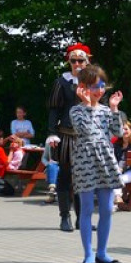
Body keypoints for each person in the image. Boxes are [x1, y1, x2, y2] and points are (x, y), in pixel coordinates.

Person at [69, 64, 126, 263]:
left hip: (105, 161)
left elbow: (118, 132)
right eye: (94, 87)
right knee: (86, 210)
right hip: (85, 161)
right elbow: (84, 129)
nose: (100, 91)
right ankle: (88, 255)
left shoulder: (105, 109)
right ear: (83, 87)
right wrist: (86, 105)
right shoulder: (76, 110)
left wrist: (114, 109)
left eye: (102, 86)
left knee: (107, 210)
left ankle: (102, 253)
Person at [46, 43, 91, 231]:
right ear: (69, 61)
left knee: (84, 179)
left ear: (87, 61)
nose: (77, 64)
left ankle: (83, 219)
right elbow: (54, 109)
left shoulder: (93, 82)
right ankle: (65, 217)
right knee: (65, 177)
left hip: (86, 137)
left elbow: (101, 107)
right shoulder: (61, 82)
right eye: (73, 60)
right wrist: (51, 133)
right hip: (65, 135)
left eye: (81, 60)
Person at [113, 120, 131, 207]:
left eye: (126, 129)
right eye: (122, 129)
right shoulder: (116, 145)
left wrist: (122, 168)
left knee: (119, 179)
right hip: (116, 172)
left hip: (130, 172)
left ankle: (117, 198)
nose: (124, 131)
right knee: (116, 177)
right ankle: (117, 198)